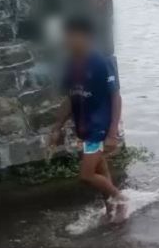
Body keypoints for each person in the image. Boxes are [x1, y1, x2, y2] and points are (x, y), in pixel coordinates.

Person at [50, 16, 126, 221]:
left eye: (71, 37)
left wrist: (112, 133)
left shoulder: (101, 61)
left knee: (86, 175)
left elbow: (115, 97)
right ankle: (113, 211)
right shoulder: (70, 64)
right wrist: (57, 126)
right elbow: (70, 98)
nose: (67, 41)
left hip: (98, 131)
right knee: (101, 171)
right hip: (84, 128)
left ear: (84, 37)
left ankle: (121, 198)